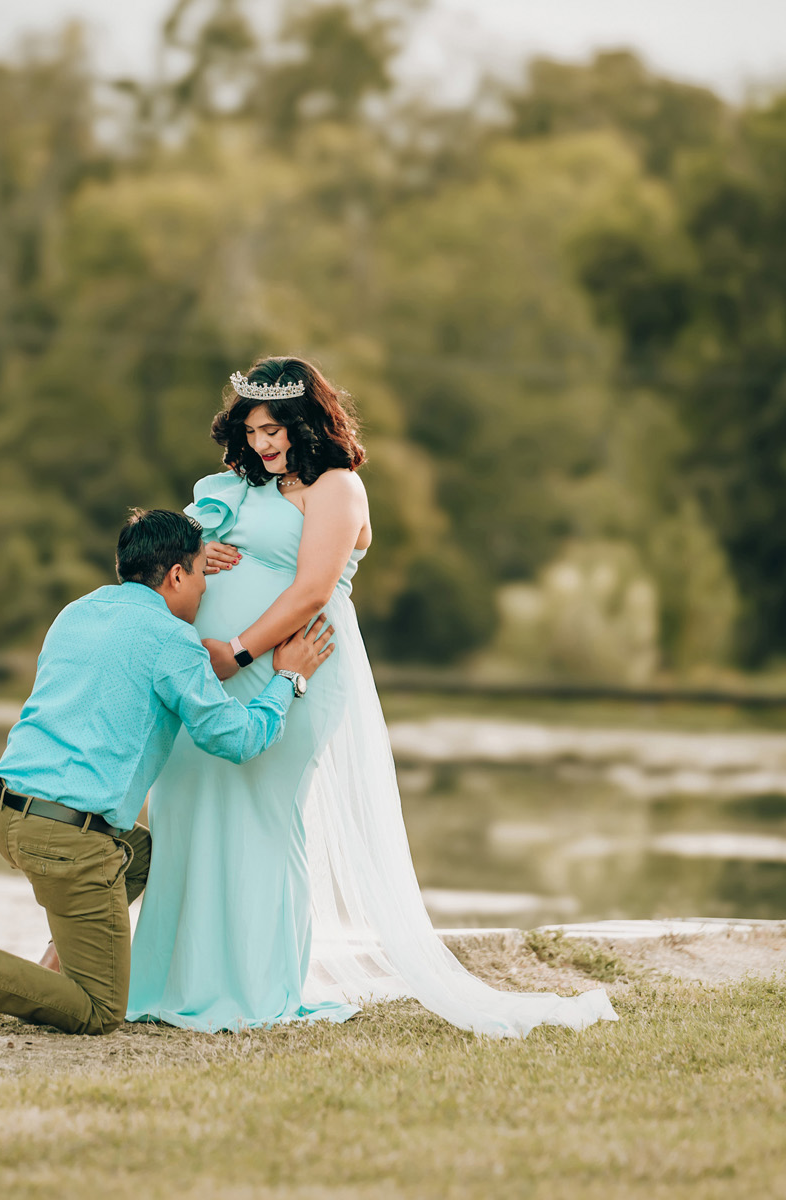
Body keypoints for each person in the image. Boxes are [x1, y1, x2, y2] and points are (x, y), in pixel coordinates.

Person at [127, 356, 619, 1036]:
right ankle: (171, 981)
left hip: (290, 664)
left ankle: (254, 988)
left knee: (262, 812)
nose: (263, 444)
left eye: (275, 430)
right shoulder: (242, 487)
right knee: (186, 803)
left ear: (306, 424)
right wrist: (199, 550)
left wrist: (237, 651)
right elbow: (172, 553)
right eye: (252, 431)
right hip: (203, 674)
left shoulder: (338, 488)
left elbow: (312, 591)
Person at [0, 508, 334, 1034]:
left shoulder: (78, 611)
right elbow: (237, 739)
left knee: (144, 858)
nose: (206, 593)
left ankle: (54, 965)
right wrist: (288, 681)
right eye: (202, 577)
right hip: (63, 838)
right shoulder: (172, 640)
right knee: (99, 1011)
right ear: (177, 575)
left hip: (4, 809)